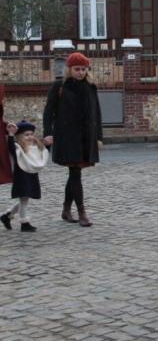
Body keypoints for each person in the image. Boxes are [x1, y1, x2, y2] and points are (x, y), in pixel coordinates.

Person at [43, 52, 103, 227]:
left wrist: (99, 137)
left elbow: (97, 114)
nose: (81, 72)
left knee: (74, 172)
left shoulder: (91, 87)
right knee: (75, 171)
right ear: (69, 69)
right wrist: (48, 132)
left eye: (84, 69)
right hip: (67, 136)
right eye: (77, 69)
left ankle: (66, 209)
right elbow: (48, 112)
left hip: (86, 137)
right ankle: (82, 212)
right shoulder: (59, 86)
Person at [0, 121, 49, 231]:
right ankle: (24, 223)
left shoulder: (35, 146)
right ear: (19, 136)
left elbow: (42, 154)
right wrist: (11, 134)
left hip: (31, 175)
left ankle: (6, 215)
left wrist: (47, 143)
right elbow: (11, 147)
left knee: (25, 198)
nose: (30, 137)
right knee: (24, 199)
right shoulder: (18, 148)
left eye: (31, 134)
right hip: (21, 176)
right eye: (26, 135)